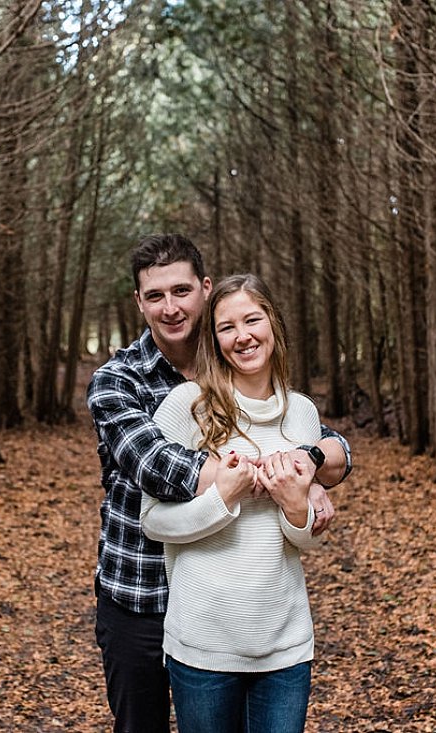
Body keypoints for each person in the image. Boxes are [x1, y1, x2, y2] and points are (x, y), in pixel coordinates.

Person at [87, 234, 352, 733]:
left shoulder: (239, 366)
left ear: (205, 289)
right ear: (138, 302)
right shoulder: (118, 380)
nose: (171, 307)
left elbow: (312, 434)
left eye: (181, 291)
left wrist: (310, 462)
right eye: (155, 296)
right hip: (139, 595)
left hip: (236, 609)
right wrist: (282, 472)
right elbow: (157, 466)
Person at [140, 273, 324, 733]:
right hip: (203, 646)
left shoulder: (302, 413)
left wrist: (297, 506)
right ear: (214, 338)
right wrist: (223, 498)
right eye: (226, 327)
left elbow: (306, 541)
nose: (242, 336)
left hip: (285, 646)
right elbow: (152, 522)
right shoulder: (188, 406)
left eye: (252, 320)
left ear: (274, 326)